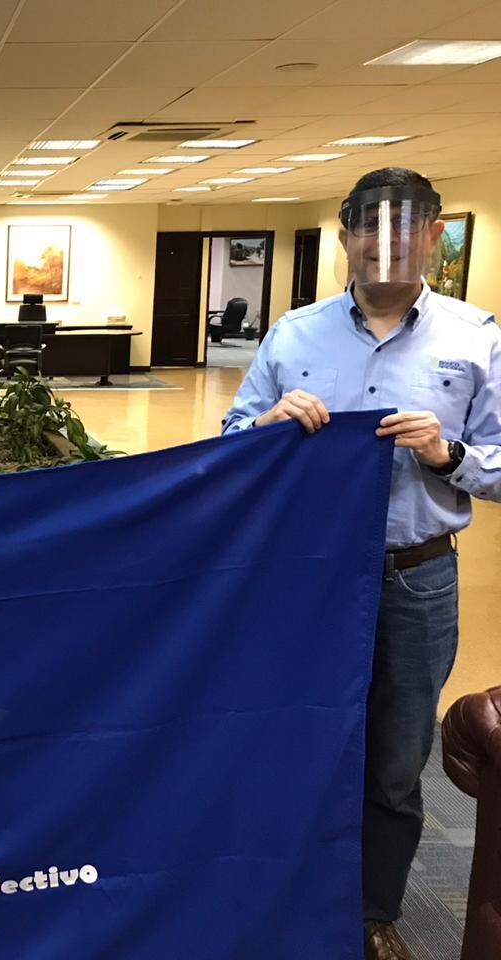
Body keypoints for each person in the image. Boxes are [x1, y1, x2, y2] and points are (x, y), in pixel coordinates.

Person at [221, 168, 501, 960]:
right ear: (346, 236)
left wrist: (448, 454)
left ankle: (373, 915)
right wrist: (266, 428)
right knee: (289, 739)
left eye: (406, 226)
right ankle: (277, 891)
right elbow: (229, 441)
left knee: (396, 761)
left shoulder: (476, 337)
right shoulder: (294, 334)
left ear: (434, 234)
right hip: (301, 578)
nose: (387, 242)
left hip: (417, 577)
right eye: (370, 227)